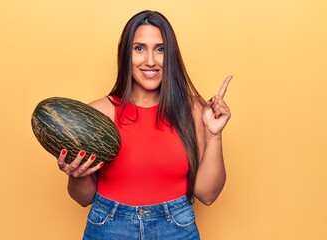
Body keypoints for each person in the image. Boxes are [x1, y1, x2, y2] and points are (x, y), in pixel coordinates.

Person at [56, 10, 232, 240]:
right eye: (139, 48)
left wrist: (213, 134)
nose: (150, 60)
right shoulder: (99, 114)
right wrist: (76, 175)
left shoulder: (193, 111)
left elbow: (207, 195)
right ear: (125, 54)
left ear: (171, 56)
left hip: (175, 230)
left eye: (160, 49)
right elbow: (83, 198)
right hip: (109, 228)